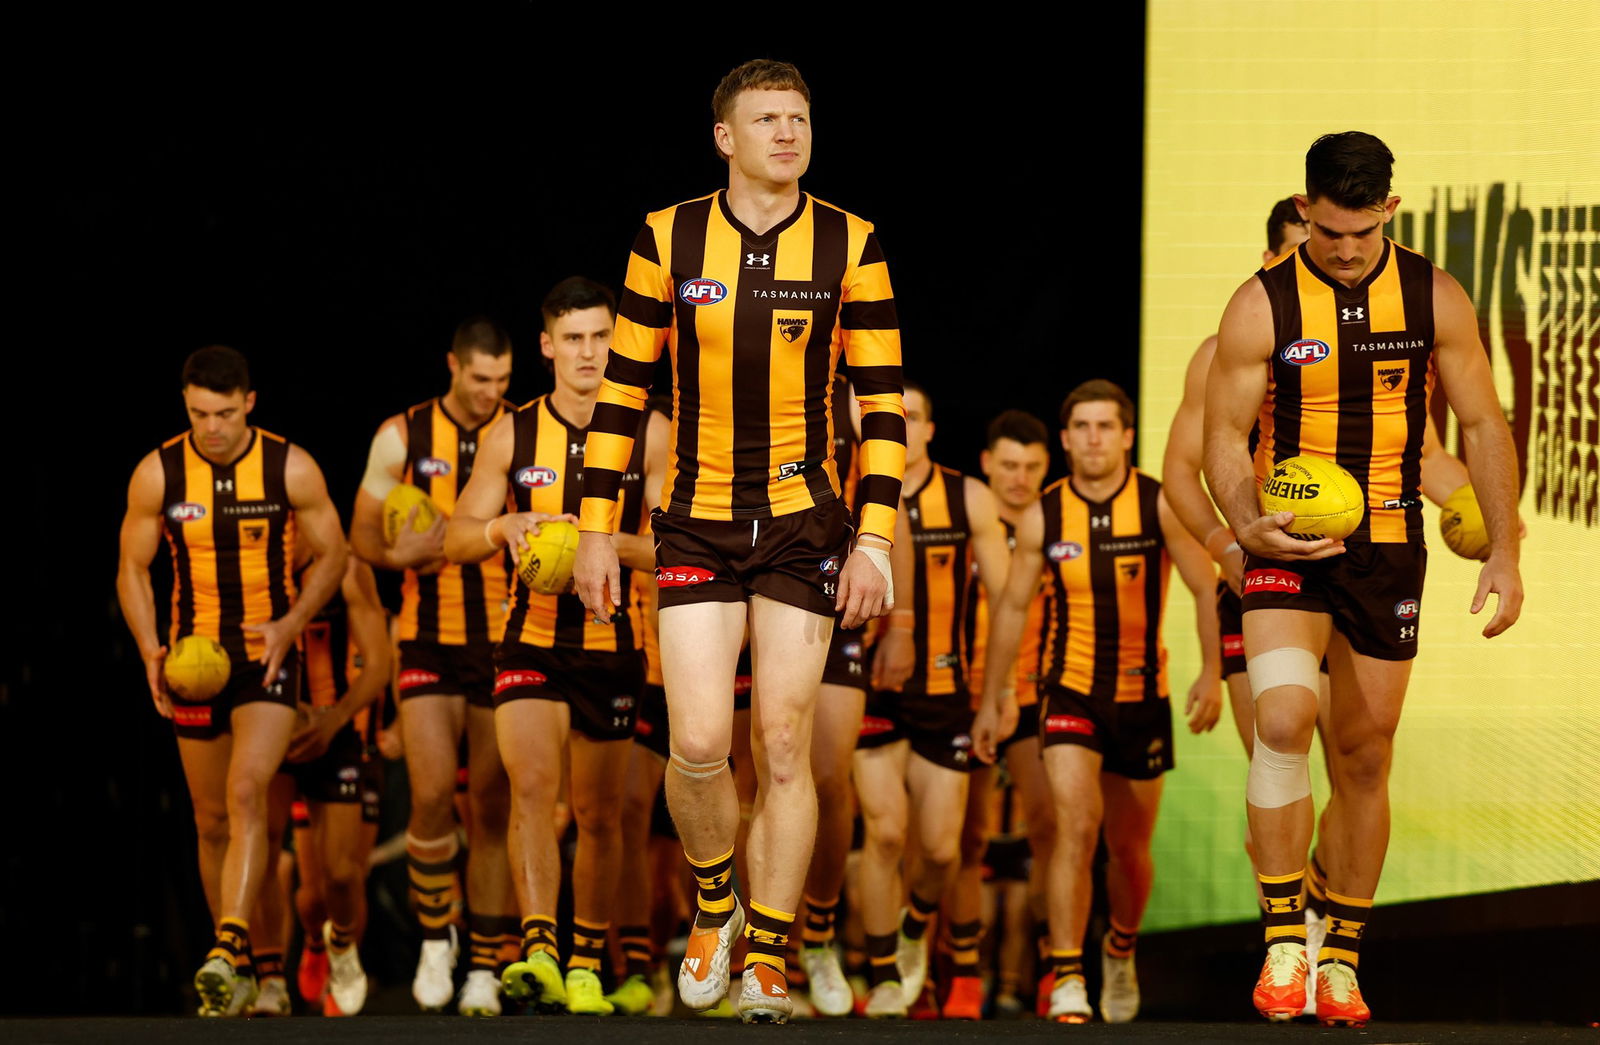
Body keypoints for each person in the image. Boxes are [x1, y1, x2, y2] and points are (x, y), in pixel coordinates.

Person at [573, 58, 905, 1024]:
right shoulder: (667, 235)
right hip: (696, 518)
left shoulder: (853, 241)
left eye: (798, 118)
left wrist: (875, 541)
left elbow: (881, 406)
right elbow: (623, 394)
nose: (787, 134)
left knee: (788, 742)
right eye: (766, 120)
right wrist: (597, 529)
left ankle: (770, 949)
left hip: (807, 524)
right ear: (726, 137)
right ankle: (715, 904)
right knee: (701, 740)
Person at [1203, 132, 1523, 1027]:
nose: (1345, 250)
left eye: (1361, 231)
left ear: (1389, 208)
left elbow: (1484, 424)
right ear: (1305, 209)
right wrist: (1244, 518)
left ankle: (1337, 954)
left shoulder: (1433, 293)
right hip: (1287, 539)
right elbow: (1221, 438)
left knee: (1366, 753)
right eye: (1328, 230)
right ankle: (1278, 941)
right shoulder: (1259, 304)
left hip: (1390, 544)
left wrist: (1505, 547)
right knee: (1281, 717)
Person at [445, 277, 669, 1015]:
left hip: (612, 643)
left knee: (602, 816)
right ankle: (539, 947)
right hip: (528, 639)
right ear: (546, 346)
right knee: (532, 792)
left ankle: (583, 962)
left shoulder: (652, 430)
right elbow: (454, 533)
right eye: (573, 338)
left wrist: (595, 541)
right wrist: (499, 530)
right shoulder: (512, 432)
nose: (588, 352)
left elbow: (675, 547)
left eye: (601, 336)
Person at [974, 379, 1223, 1024]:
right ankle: (1066, 976)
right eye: (1081, 427)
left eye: (1104, 427)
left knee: (1129, 850)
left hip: (1143, 697)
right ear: (1064, 439)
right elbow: (1010, 610)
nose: (1092, 439)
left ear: (1127, 436)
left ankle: (1119, 949)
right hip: (1069, 693)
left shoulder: (1161, 503)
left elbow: (1205, 586)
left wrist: (1213, 672)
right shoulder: (1044, 515)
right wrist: (996, 695)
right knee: (1073, 832)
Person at [116, 345, 348, 1016]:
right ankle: (257, 972)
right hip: (193, 661)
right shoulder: (158, 472)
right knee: (212, 819)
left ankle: (224, 948)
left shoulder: (289, 466)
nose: (210, 427)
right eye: (197, 413)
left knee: (248, 792)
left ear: (249, 401)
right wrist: (150, 650)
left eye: (223, 412)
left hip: (267, 656)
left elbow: (334, 554)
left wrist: (292, 622)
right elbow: (130, 568)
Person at [348, 317, 517, 1015]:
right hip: (426, 638)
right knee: (426, 797)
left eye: (503, 381)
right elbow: (362, 532)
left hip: (507, 639)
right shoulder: (403, 434)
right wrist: (399, 556)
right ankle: (435, 934)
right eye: (480, 379)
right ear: (452, 366)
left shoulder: (522, 432)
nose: (490, 393)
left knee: (491, 807)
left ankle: (483, 959)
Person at [853, 381, 1010, 1018]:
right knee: (885, 835)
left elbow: (1007, 600)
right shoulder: (850, 491)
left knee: (943, 849)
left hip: (948, 691)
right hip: (871, 687)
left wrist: (997, 695)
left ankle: (917, 926)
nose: (902, 428)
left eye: (913, 417)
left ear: (929, 429)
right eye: (891, 419)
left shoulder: (967, 495)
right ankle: (884, 971)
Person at [949, 409, 1055, 1018]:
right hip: (961, 693)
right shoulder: (963, 519)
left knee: (1049, 833)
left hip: (1036, 694)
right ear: (987, 463)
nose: (1019, 478)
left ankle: (1048, 967)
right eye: (1009, 465)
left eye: (1033, 467)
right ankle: (962, 973)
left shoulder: (1053, 525)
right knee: (962, 841)